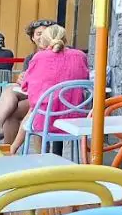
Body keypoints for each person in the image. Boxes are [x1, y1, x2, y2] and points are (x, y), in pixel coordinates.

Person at [7, 24, 88, 153]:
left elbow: (27, 87)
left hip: (46, 121)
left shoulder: (39, 57)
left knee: (35, 109)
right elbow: (85, 80)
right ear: (65, 39)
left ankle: (15, 150)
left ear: (44, 40)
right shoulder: (80, 56)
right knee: (36, 109)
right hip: (76, 118)